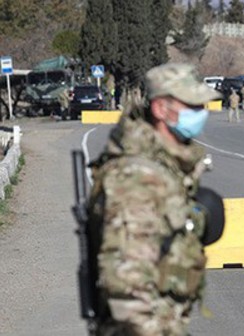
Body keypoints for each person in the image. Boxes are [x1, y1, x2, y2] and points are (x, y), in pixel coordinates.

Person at [87, 63, 220, 336]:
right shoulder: (139, 177)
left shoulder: (165, 165)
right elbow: (127, 284)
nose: (201, 114)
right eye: (192, 106)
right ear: (161, 109)